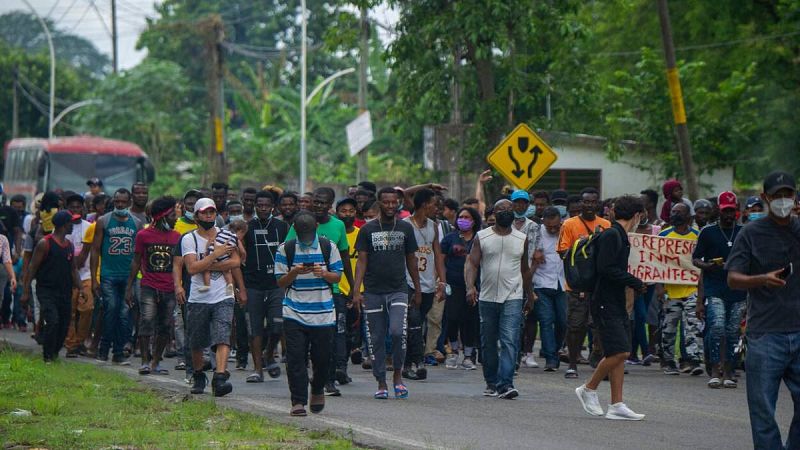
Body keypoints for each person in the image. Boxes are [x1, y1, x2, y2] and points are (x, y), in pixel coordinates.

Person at [726, 171, 800, 449]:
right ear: (766, 198)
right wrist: (761, 279)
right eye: (777, 196)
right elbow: (733, 278)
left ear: (795, 198)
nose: (783, 201)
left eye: (788, 195)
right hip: (765, 334)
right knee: (763, 410)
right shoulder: (751, 233)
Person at [575, 195, 646, 421]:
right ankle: (588, 388)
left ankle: (617, 404)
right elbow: (605, 269)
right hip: (604, 300)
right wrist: (635, 282)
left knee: (617, 353)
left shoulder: (619, 235)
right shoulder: (612, 235)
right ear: (636, 216)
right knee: (622, 351)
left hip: (614, 299)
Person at [352, 186, 420, 400]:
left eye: (394, 202)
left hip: (398, 289)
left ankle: (398, 375)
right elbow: (361, 261)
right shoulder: (368, 229)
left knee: (398, 331)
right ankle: (381, 381)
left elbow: (411, 259)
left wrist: (417, 289)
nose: (391, 206)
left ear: (398, 202)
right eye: (386, 202)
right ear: (379, 203)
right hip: (373, 291)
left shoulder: (405, 228)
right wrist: (356, 290)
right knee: (377, 336)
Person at [285, 187, 354, 394]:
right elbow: (286, 249)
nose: (319, 205)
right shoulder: (300, 222)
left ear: (330, 205)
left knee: (331, 337)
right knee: (304, 341)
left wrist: (351, 287)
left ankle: (328, 380)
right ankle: (303, 380)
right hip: (301, 291)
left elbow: (344, 257)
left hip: (331, 288)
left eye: (323, 203)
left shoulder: (338, 225)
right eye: (316, 201)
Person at [275, 211, 343, 416]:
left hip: (323, 313)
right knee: (296, 359)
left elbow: (337, 277)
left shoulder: (328, 247)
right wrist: (294, 272)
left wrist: (324, 273)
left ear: (316, 229)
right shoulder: (285, 249)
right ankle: (298, 401)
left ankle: (317, 388)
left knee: (322, 358)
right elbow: (280, 282)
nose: (306, 240)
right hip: (294, 311)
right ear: (295, 230)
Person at [465, 199, 534, 399]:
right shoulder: (482, 236)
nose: (506, 212)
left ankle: (506, 383)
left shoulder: (522, 238)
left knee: (510, 339)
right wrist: (470, 287)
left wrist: (530, 295)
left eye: (509, 209)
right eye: (501, 209)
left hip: (512, 295)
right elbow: (472, 264)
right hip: (487, 297)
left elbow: (525, 269)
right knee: (488, 341)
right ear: (494, 213)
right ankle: (491, 381)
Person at [181, 198, 241, 396]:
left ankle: (220, 377)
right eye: (205, 212)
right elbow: (191, 268)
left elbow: (235, 262)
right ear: (197, 215)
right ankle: (199, 375)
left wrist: (207, 264)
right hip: (198, 296)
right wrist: (215, 256)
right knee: (197, 341)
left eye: (212, 212)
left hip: (223, 294)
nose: (208, 215)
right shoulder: (189, 239)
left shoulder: (226, 235)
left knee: (222, 335)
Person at [692, 191, 746, 388]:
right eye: (725, 211)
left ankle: (730, 370)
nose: (729, 215)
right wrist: (707, 266)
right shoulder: (708, 232)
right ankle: (715, 368)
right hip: (714, 286)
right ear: (718, 210)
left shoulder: (744, 232)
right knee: (716, 325)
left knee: (733, 330)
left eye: (732, 211)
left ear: (737, 212)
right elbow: (696, 258)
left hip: (738, 288)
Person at [558, 187, 611, 378]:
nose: (589, 205)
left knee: (600, 325)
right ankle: (572, 363)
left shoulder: (606, 224)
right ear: (580, 204)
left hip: (599, 285)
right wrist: (584, 247)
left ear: (598, 204)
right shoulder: (569, 224)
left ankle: (599, 361)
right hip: (577, 285)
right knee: (575, 325)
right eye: (586, 202)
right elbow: (563, 252)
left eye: (593, 202)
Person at [124, 197, 181, 375]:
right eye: (172, 215)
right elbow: (136, 261)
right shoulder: (143, 235)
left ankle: (156, 361)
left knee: (165, 325)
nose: (176, 219)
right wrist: (129, 287)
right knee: (146, 321)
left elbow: (179, 265)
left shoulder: (176, 237)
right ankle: (145, 361)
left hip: (169, 288)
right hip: (148, 285)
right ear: (162, 216)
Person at [91, 188, 143, 364]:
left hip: (128, 277)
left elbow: (138, 254)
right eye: (117, 202)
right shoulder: (103, 221)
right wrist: (93, 278)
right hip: (108, 275)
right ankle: (104, 348)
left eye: (123, 202)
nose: (119, 205)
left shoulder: (136, 223)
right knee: (110, 310)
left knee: (124, 314)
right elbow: (95, 250)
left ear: (129, 203)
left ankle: (118, 352)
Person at [241, 190, 289, 382]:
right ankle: (258, 369)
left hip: (276, 284)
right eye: (258, 205)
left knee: (277, 325)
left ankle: (269, 354)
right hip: (253, 285)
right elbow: (239, 256)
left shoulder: (282, 227)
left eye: (266, 205)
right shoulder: (247, 227)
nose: (262, 208)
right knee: (255, 329)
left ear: (272, 207)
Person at [21, 211, 78, 362]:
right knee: (53, 320)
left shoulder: (69, 246)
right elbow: (32, 268)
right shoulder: (45, 243)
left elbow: (73, 269)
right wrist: (25, 292)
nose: (73, 226)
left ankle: (54, 353)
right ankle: (47, 356)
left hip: (65, 291)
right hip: (46, 290)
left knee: (64, 324)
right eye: (70, 223)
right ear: (64, 225)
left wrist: (81, 288)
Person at [402, 188, 446, 378]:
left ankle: (407, 363)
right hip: (408, 282)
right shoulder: (404, 225)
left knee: (417, 323)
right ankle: (416, 363)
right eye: (434, 204)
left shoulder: (434, 227)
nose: (437, 208)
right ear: (423, 204)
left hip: (428, 282)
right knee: (413, 322)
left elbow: (437, 254)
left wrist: (442, 281)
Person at [658, 203, 703, 375]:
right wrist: (659, 287)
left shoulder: (697, 236)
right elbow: (655, 263)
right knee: (668, 328)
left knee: (693, 327)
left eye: (679, 212)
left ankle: (694, 360)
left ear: (688, 216)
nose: (675, 214)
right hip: (671, 292)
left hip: (692, 289)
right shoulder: (663, 235)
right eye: (673, 211)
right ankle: (669, 361)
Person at [442, 207, 481, 370]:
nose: (463, 220)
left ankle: (468, 355)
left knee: (470, 320)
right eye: (461, 217)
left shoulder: (480, 238)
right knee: (452, 318)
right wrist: (441, 281)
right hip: (453, 284)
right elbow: (441, 260)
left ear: (474, 221)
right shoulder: (450, 238)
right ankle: (453, 351)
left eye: (467, 217)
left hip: (473, 286)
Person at [509, 190, 544, 369]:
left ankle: (527, 352)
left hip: (528, 274)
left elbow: (537, 253)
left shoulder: (533, 226)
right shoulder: (506, 224)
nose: (520, 206)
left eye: (523, 202)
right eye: (517, 202)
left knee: (528, 316)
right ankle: (512, 352)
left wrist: (529, 275)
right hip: (508, 275)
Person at [331, 198, 360, 386]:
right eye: (343, 211)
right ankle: (339, 368)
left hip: (358, 291)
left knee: (351, 331)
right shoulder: (335, 233)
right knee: (338, 330)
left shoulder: (362, 234)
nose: (347, 214)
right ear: (337, 212)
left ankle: (344, 364)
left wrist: (357, 290)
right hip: (336, 290)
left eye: (351, 211)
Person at [535, 207, 567, 371]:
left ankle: (556, 348)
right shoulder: (537, 233)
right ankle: (550, 358)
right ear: (543, 222)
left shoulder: (566, 231)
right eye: (550, 227)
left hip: (562, 283)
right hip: (541, 283)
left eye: (556, 226)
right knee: (546, 320)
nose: (553, 229)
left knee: (563, 321)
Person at [63, 194, 94, 357]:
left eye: (78, 207)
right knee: (70, 312)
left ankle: (79, 340)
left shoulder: (89, 227)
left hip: (86, 274)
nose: (75, 210)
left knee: (87, 308)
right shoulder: (62, 227)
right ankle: (70, 345)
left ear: (83, 208)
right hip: (67, 276)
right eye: (72, 207)